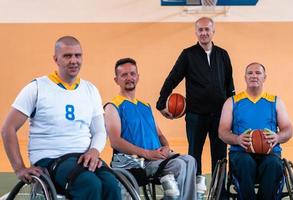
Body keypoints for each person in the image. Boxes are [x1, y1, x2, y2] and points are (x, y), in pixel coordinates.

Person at [1, 36, 121, 200]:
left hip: (83, 158)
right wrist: (19, 168)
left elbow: (100, 131)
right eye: (67, 56)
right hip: (50, 159)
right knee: (89, 184)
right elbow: (8, 128)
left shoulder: (90, 90)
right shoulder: (37, 87)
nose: (74, 60)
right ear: (55, 59)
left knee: (111, 184)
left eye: (78, 55)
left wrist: (94, 151)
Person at [104, 57, 197, 200]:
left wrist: (166, 146)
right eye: (124, 75)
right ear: (116, 80)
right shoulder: (112, 106)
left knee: (190, 160)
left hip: (157, 157)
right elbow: (115, 142)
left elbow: (159, 135)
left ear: (138, 77)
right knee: (179, 165)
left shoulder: (145, 106)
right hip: (137, 162)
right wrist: (147, 153)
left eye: (132, 73)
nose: (129, 78)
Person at [156, 17, 235, 177]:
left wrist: (233, 112)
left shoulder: (223, 54)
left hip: (219, 116)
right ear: (196, 32)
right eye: (200, 30)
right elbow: (172, 78)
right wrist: (161, 103)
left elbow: (230, 85)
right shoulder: (188, 54)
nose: (204, 33)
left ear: (213, 31)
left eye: (207, 29)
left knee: (220, 155)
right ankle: (195, 191)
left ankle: (220, 193)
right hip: (195, 115)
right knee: (194, 155)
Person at [218, 62, 293, 199]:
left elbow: (288, 130)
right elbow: (222, 131)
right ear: (245, 77)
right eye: (250, 73)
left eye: (258, 73)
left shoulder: (275, 101)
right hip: (240, 153)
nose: (254, 76)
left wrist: (277, 137)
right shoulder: (232, 101)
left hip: (270, 153)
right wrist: (237, 139)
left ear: (264, 77)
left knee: (274, 164)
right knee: (245, 162)